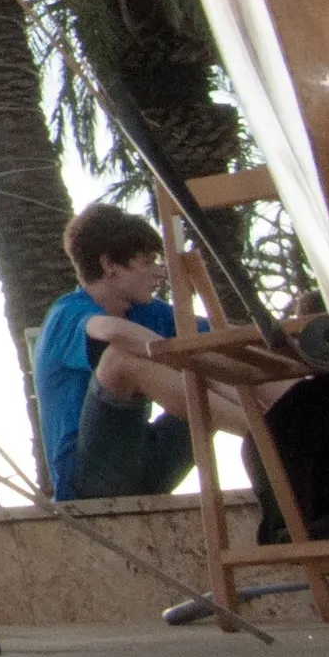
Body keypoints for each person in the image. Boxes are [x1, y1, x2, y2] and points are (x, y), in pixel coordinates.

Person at [32, 203, 200, 502]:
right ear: (110, 265)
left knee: (212, 362)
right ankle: (258, 428)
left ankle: (277, 423)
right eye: (148, 262)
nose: (158, 272)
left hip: (142, 465)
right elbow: (109, 332)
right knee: (120, 359)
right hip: (86, 482)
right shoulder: (66, 314)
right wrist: (170, 353)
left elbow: (219, 336)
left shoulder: (147, 311)